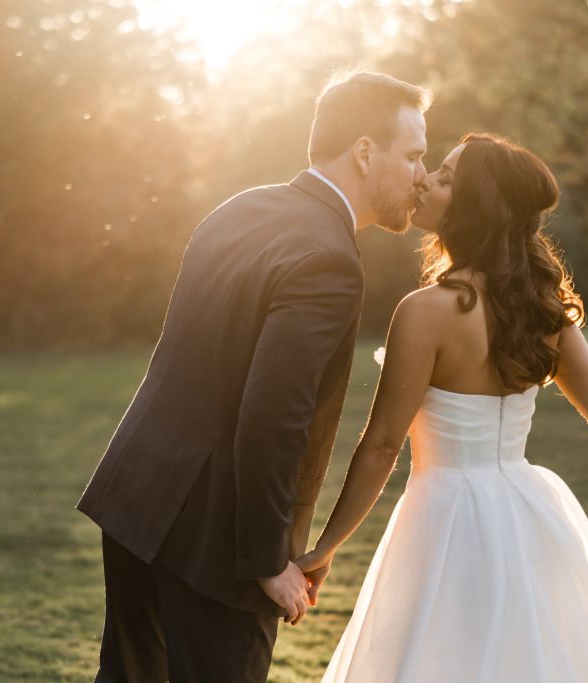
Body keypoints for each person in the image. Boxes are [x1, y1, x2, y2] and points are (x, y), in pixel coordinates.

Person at [76, 72, 430, 682]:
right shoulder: (329, 260)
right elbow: (274, 413)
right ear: (365, 151)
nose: (422, 174)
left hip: (138, 504)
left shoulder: (240, 209)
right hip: (217, 546)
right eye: (414, 155)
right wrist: (266, 557)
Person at [296, 133, 588, 682]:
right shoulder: (542, 307)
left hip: (444, 520)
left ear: (476, 207)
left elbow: (381, 446)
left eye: (444, 177)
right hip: (528, 513)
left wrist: (325, 549)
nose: (425, 180)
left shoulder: (424, 312)